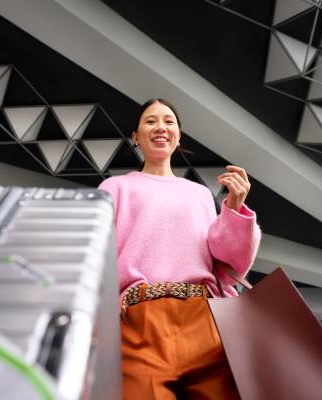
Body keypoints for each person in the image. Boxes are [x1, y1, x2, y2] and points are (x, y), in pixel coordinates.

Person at [98, 98, 261, 399]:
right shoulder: (115, 188)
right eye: (150, 121)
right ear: (135, 137)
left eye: (169, 121)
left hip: (204, 317)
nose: (160, 126)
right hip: (140, 316)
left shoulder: (199, 194)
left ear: (178, 136)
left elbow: (228, 265)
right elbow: (96, 263)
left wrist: (234, 209)